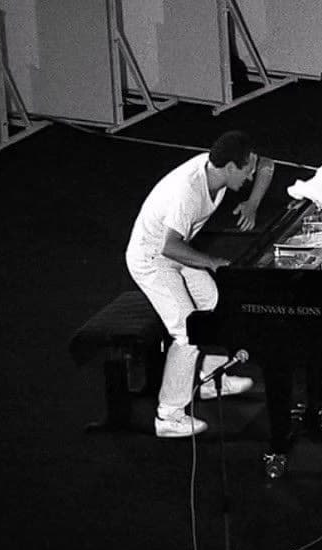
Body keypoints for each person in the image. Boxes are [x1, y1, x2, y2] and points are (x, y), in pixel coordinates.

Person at [125, 130, 275, 438]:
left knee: (215, 303)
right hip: (152, 258)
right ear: (230, 167)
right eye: (246, 172)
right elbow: (169, 247)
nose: (250, 177)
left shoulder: (218, 170)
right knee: (187, 331)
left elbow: (267, 165)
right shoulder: (189, 193)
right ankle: (168, 416)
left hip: (177, 249)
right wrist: (212, 262)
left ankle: (208, 377)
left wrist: (252, 203)